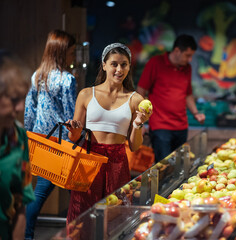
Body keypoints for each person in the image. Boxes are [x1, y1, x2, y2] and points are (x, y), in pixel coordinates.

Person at [65, 43, 151, 223]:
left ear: (129, 67)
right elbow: (73, 137)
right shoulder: (86, 94)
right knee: (82, 215)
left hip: (117, 161)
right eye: (114, 64)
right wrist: (74, 130)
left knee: (115, 216)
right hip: (88, 159)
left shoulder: (135, 99)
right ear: (104, 65)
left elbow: (135, 146)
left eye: (124, 64)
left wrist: (138, 123)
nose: (119, 69)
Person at [24, 29, 77, 239]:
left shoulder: (37, 75)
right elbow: (71, 117)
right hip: (63, 146)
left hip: (42, 144)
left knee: (38, 195)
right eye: (72, 52)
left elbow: (29, 111)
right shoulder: (67, 80)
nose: (73, 56)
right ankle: (79, 235)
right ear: (62, 53)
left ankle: (26, 236)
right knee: (78, 199)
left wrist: (30, 136)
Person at [137, 34, 205, 163]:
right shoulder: (155, 63)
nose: (190, 59)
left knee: (179, 166)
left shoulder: (187, 68)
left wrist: (196, 113)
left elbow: (188, 94)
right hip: (160, 126)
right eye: (187, 55)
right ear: (177, 51)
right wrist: (140, 122)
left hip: (181, 126)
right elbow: (141, 91)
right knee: (163, 166)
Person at [0, 50, 35, 240]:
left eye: (23, 99)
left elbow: (20, 203)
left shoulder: (19, 137)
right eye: (14, 99)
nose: (21, 107)